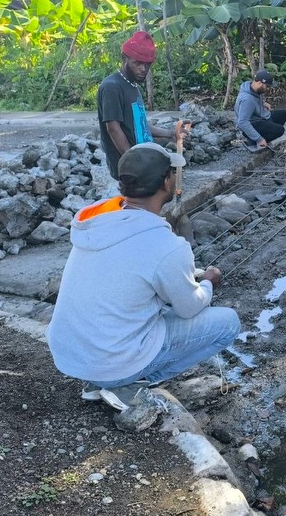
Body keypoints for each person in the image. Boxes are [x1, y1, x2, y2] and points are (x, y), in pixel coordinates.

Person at [47, 142, 240, 410]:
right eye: (172, 173)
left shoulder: (100, 221)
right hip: (111, 361)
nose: (174, 178)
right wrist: (208, 281)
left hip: (71, 355)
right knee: (228, 323)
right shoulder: (166, 245)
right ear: (165, 183)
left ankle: (97, 383)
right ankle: (127, 385)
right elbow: (189, 308)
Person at [97, 30, 176, 180]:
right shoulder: (112, 86)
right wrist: (133, 161)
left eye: (147, 65)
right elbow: (113, 129)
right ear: (124, 59)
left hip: (142, 162)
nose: (143, 69)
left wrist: (171, 133)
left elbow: (140, 125)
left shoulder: (133, 85)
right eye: (138, 63)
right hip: (129, 168)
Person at [235, 69, 286, 151]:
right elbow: (242, 122)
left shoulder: (251, 87)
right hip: (253, 124)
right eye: (267, 86)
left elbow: (254, 98)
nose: (268, 89)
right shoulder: (247, 100)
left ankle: (258, 136)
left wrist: (263, 103)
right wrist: (259, 139)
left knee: (284, 114)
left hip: (260, 117)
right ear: (259, 82)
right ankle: (256, 140)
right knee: (280, 130)